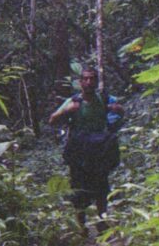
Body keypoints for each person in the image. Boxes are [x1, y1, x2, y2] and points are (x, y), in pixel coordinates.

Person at [48, 67, 125, 230]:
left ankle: (102, 224)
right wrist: (67, 111)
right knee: (78, 190)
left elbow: (119, 113)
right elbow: (52, 120)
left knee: (101, 188)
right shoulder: (73, 102)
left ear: (97, 81)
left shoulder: (105, 99)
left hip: (99, 151)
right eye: (86, 79)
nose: (89, 82)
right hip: (79, 152)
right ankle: (81, 227)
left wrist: (117, 110)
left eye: (92, 79)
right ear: (80, 82)